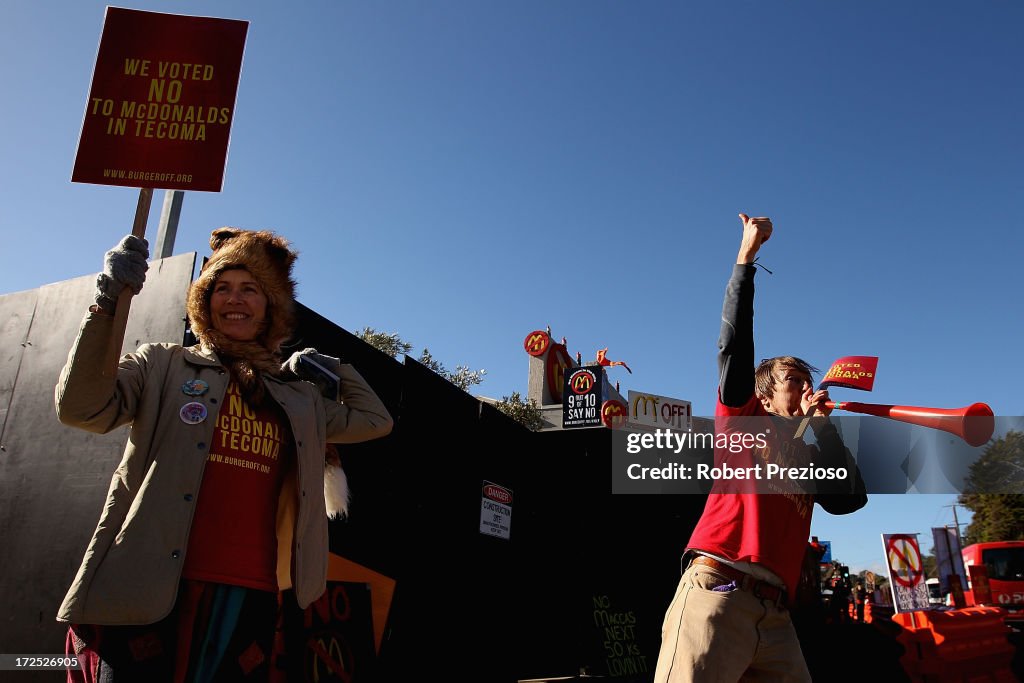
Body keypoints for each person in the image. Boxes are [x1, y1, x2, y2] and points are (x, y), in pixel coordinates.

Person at [56, 228, 394, 682]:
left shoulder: (298, 399)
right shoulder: (163, 364)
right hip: (145, 584)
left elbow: (376, 420)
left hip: (249, 593)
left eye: (250, 289)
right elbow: (82, 409)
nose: (234, 299)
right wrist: (106, 301)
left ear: (270, 307)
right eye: (222, 287)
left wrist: (334, 366)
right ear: (204, 301)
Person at [653, 214, 867, 683]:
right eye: (794, 379)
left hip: (777, 618)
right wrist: (745, 259)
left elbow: (849, 500)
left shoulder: (812, 455)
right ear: (766, 396)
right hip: (718, 593)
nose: (807, 387)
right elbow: (735, 345)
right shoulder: (743, 417)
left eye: (808, 380)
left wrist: (826, 430)